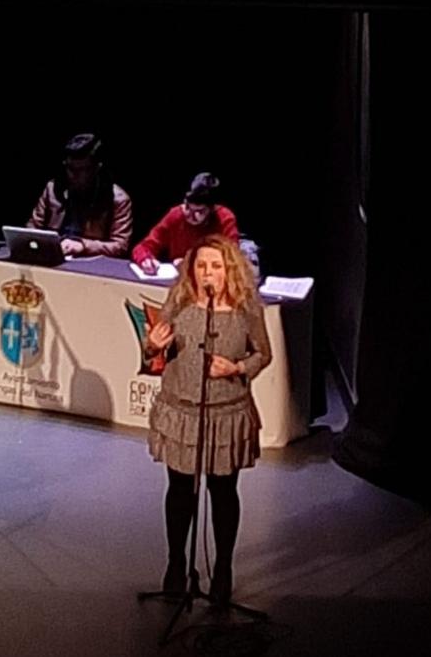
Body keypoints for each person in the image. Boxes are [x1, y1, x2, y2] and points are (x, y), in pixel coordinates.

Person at [144, 234, 271, 605]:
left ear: (229, 269)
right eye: (201, 266)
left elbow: (263, 354)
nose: (207, 273)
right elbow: (153, 347)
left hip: (225, 412)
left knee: (222, 491)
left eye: (215, 266)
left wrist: (237, 367)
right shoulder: (179, 300)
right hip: (182, 409)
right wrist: (154, 343)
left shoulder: (247, 307)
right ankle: (175, 562)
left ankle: (224, 569)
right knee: (180, 489)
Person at [27, 132, 133, 258]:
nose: (72, 175)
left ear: (96, 168)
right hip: (53, 257)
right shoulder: (53, 189)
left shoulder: (117, 199)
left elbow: (120, 245)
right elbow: (33, 227)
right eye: (69, 168)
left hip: (89, 263)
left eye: (80, 170)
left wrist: (83, 246)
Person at [132, 172, 239, 275]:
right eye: (187, 208)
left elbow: (232, 258)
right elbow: (144, 246)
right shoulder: (175, 215)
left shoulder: (224, 219)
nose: (190, 215)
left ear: (211, 210)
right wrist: (145, 258)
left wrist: (194, 263)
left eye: (199, 212)